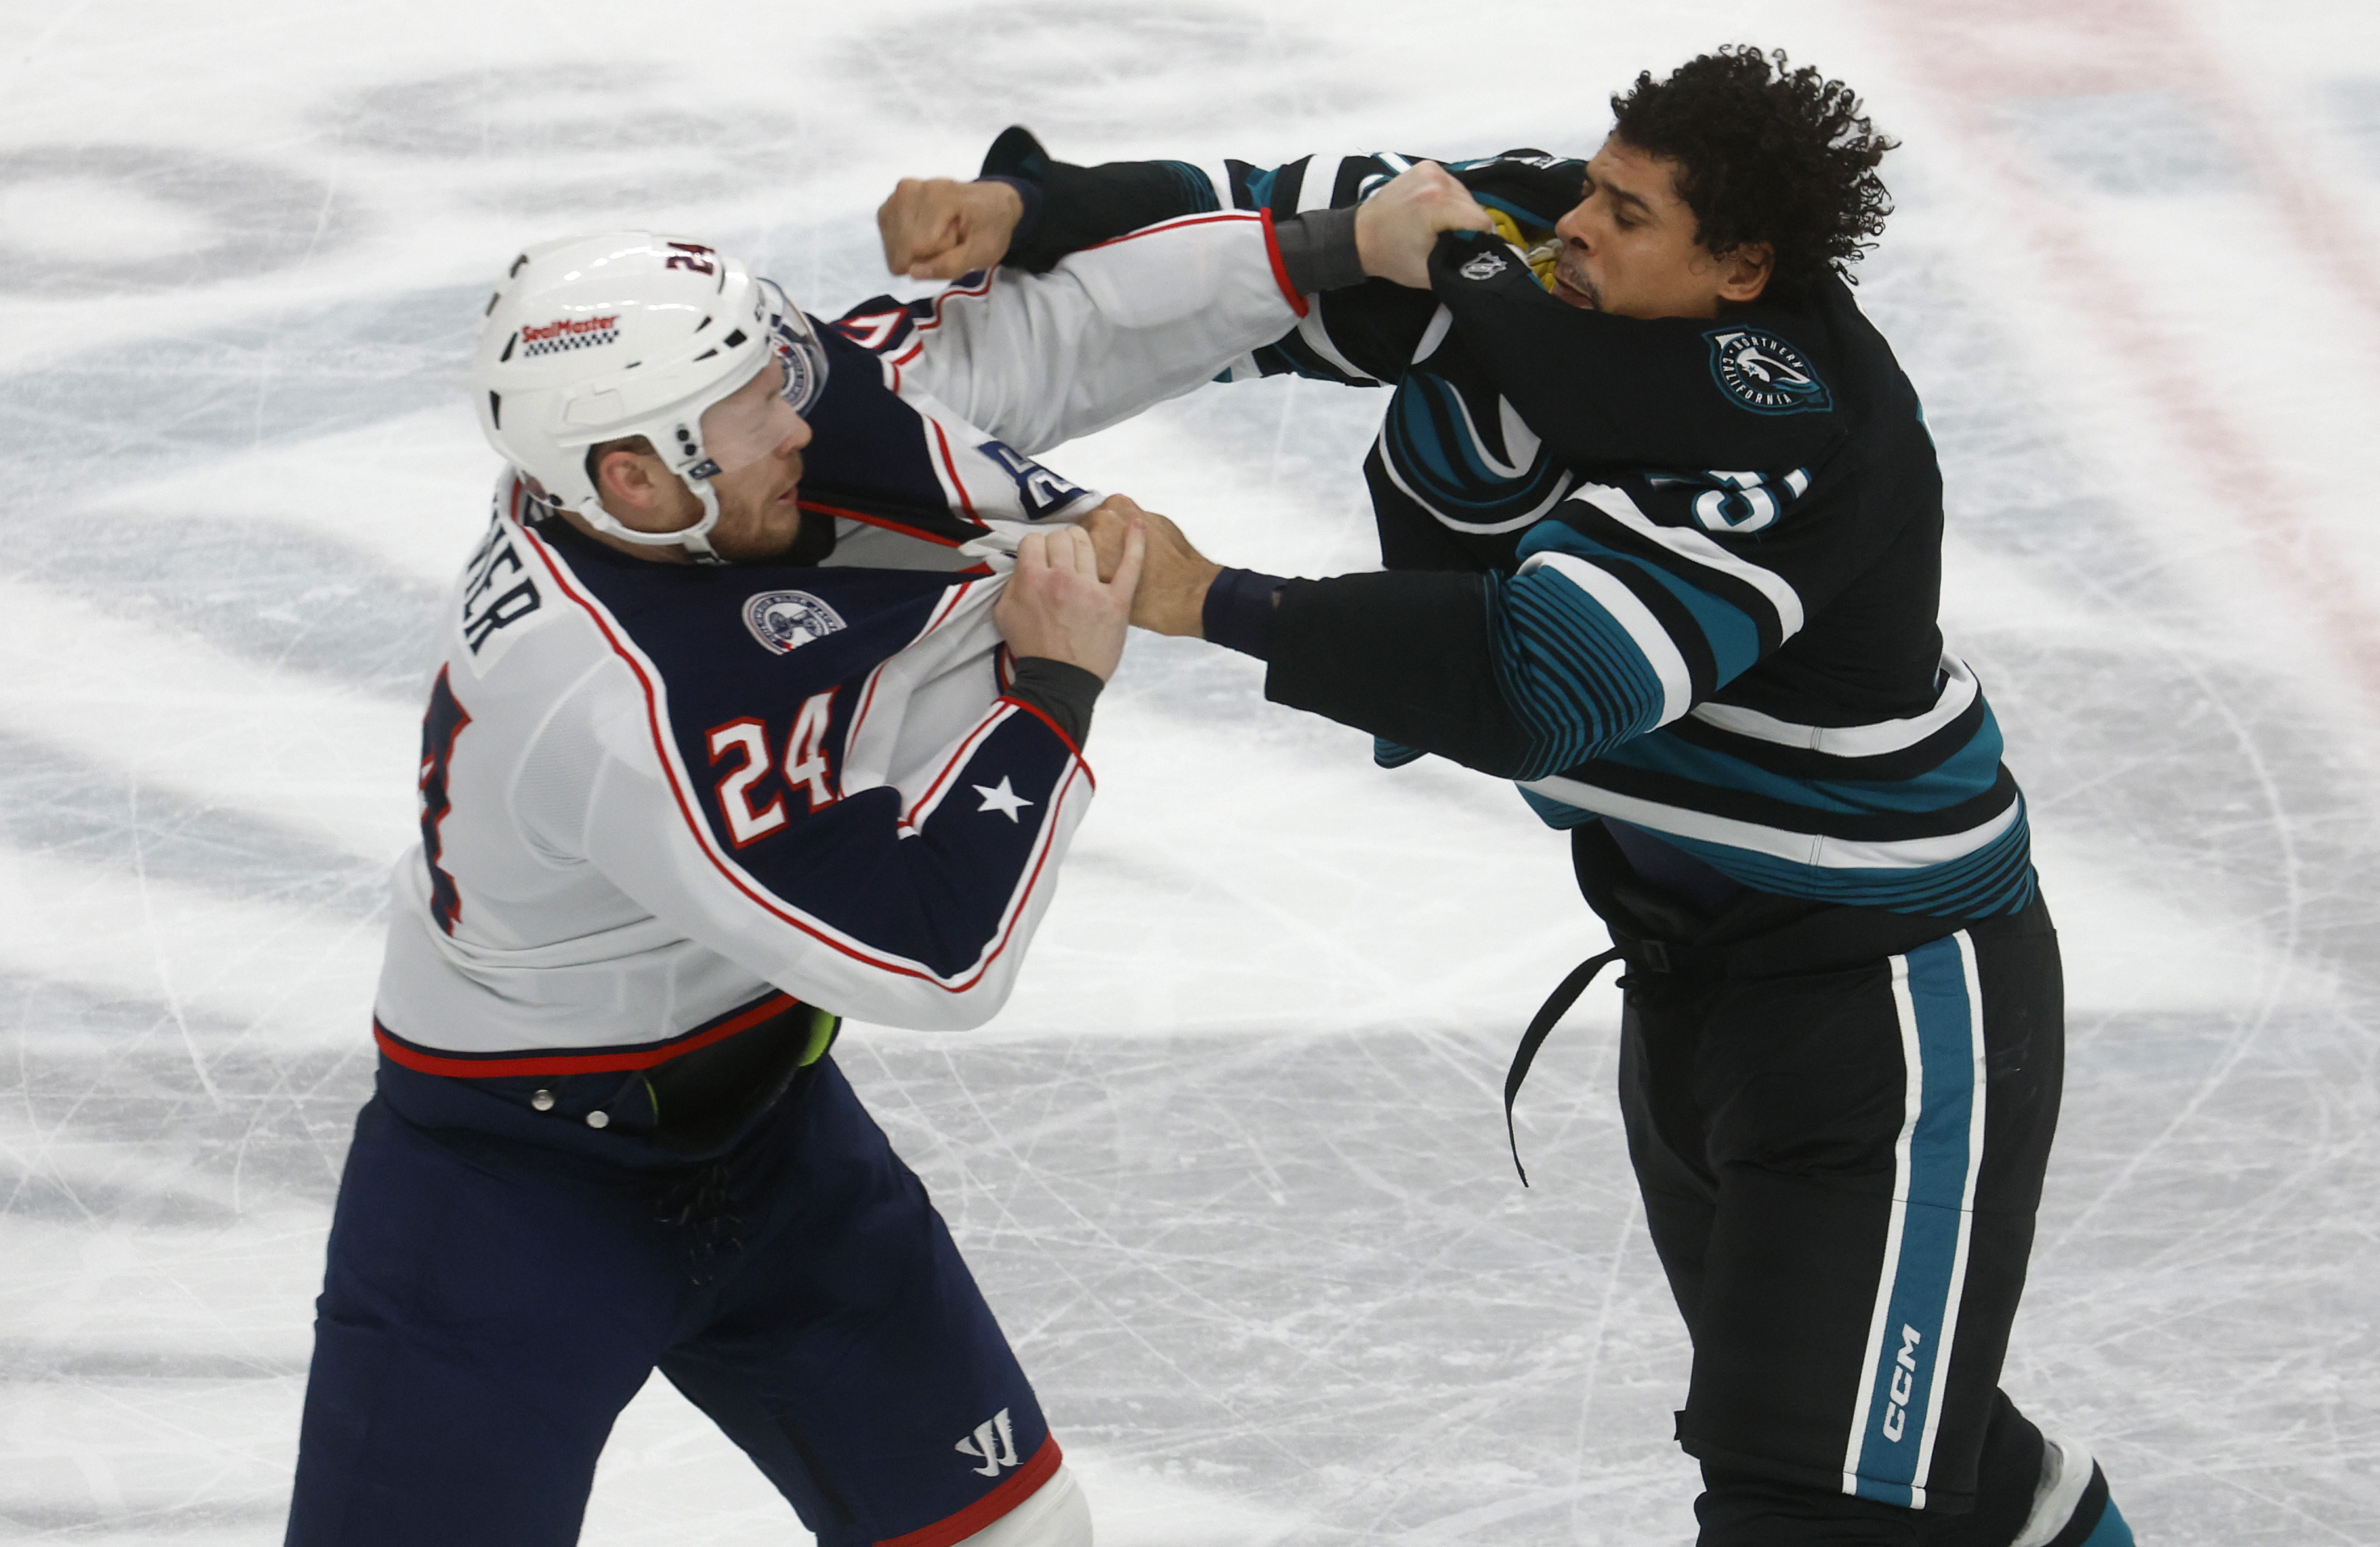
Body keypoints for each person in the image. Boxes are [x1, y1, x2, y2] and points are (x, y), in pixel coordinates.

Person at [879, 46, 2131, 1547]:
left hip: (1887, 1005)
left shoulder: (1792, 437)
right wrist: (1022, 204)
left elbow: (1545, 681)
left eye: (1628, 214)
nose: (1575, 228)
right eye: (1590, 187)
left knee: (1809, 1498)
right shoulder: (1544, 247)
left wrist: (1218, 599)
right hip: (1690, 977)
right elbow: (1276, 224)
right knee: (1889, 1450)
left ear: (1738, 269)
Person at [284, 218, 1309, 1546]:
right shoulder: (611, 704)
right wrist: (1051, 689)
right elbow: (937, 953)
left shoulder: (669, 464)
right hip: (510, 1197)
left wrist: (1330, 244)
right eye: (750, 410)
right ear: (636, 480)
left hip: (775, 1144)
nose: (795, 428)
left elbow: (987, 354)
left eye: (771, 383)